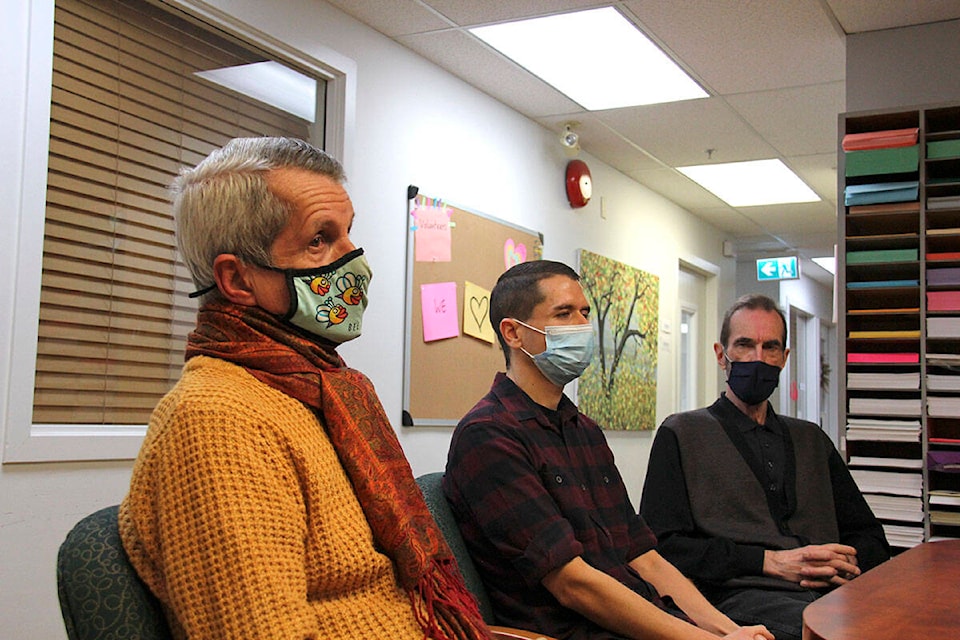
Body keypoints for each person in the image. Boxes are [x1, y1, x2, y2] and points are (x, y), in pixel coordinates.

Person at [119, 137, 491, 640]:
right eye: (320, 239)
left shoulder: (321, 388)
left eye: (348, 235)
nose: (358, 264)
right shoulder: (215, 420)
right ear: (237, 279)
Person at [444, 260, 774, 640]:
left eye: (585, 313)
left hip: (644, 621)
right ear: (514, 333)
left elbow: (644, 556)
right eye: (564, 314)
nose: (583, 326)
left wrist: (731, 631)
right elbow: (573, 583)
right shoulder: (488, 436)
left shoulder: (584, 430)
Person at [640, 293, 890, 640]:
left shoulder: (812, 439)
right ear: (720, 355)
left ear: (784, 358)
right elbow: (664, 546)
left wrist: (840, 563)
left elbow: (871, 537)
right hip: (740, 601)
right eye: (744, 345)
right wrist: (767, 562)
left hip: (834, 594)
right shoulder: (681, 434)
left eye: (770, 347)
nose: (758, 358)